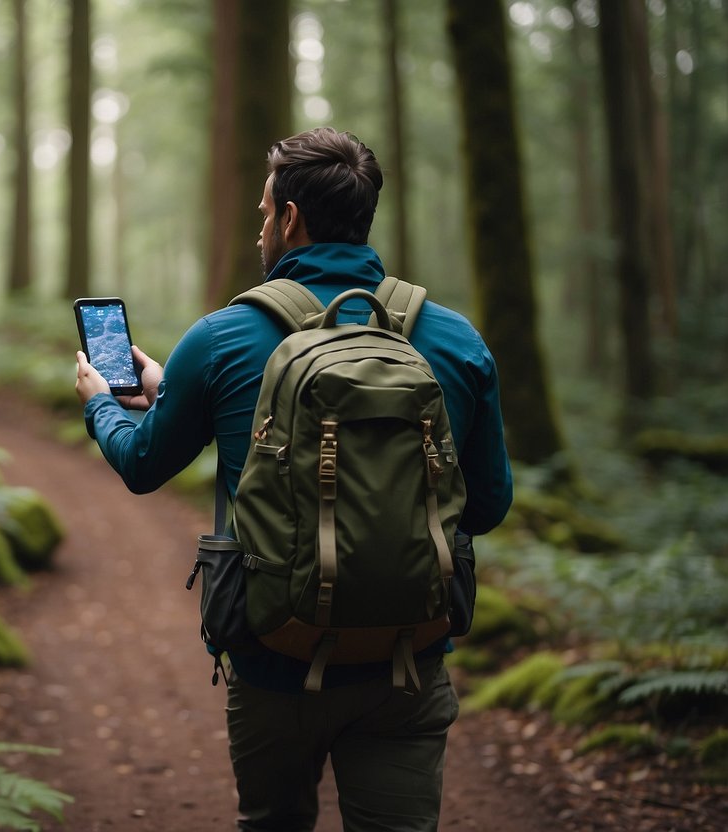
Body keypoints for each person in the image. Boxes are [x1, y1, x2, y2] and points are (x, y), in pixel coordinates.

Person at [73, 126, 513, 832]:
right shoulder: (453, 338)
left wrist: (101, 400)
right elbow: (487, 507)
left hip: (275, 658)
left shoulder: (222, 337)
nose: (256, 231)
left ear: (288, 218)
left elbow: (142, 465)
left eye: (260, 213)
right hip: (408, 659)